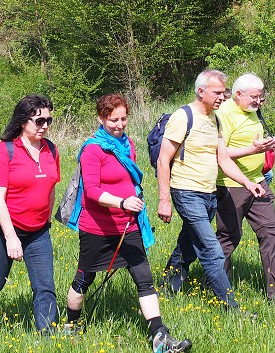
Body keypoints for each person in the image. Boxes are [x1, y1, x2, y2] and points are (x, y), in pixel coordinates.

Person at [65, 93, 192, 352]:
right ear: (101, 118)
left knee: (144, 278)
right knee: (84, 278)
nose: (120, 124)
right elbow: (90, 190)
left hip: (128, 225)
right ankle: (71, 325)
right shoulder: (92, 149)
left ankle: (160, 337)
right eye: (114, 120)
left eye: (124, 118)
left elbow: (130, 179)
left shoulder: (128, 145)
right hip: (97, 228)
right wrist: (121, 202)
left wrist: (133, 198)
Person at [157, 70, 265, 313]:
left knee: (187, 246)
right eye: (217, 92)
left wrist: (248, 183)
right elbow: (164, 160)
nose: (221, 97)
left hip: (209, 193)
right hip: (186, 192)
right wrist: (164, 200)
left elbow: (223, 160)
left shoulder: (214, 119)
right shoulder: (183, 116)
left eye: (223, 92)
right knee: (212, 251)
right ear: (201, 91)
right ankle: (232, 308)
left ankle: (166, 288)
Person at [0, 95, 60, 334]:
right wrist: (11, 237)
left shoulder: (52, 150)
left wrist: (46, 221)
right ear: (22, 121)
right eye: (39, 121)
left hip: (38, 230)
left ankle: (48, 336)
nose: (45, 126)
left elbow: (51, 188)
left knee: (45, 286)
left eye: (49, 120)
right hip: (4, 228)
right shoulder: (4, 151)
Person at [215, 73, 275, 301]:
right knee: (228, 237)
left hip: (259, 182)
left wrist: (267, 144)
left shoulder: (253, 112)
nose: (258, 101)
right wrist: (253, 150)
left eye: (261, 96)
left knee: (272, 234)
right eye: (254, 96)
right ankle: (218, 291)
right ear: (238, 94)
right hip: (231, 185)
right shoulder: (223, 115)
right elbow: (219, 153)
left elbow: (251, 143)